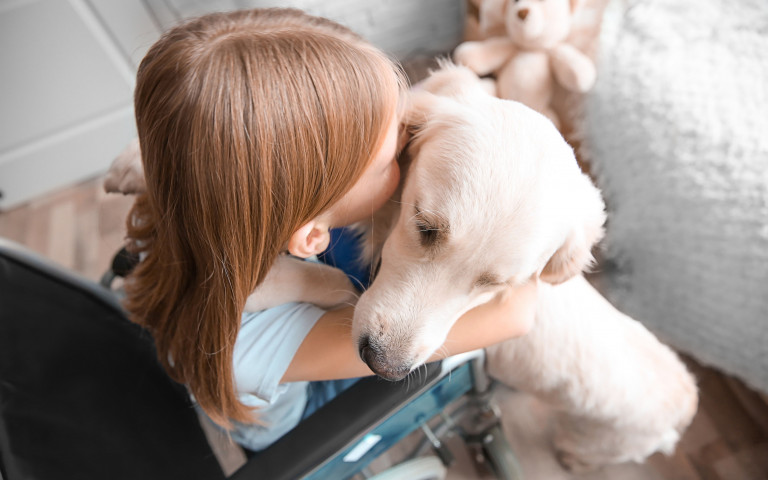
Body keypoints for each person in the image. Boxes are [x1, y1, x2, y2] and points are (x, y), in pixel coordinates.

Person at [123, 8, 538, 452]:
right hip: (307, 418)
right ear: (310, 237)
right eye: (387, 161)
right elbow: (517, 314)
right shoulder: (242, 347)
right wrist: (326, 284)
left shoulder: (199, 182)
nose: (409, 142)